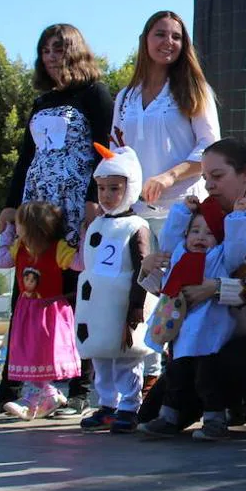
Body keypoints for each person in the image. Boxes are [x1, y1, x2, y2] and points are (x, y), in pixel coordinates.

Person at [0, 24, 112, 419]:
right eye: (45, 49)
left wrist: (92, 201)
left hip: (74, 202)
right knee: (28, 287)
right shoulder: (41, 101)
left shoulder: (95, 95)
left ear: (75, 51)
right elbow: (25, 158)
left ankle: (79, 387)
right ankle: (10, 387)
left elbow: (106, 149)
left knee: (72, 288)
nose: (50, 56)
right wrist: (11, 205)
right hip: (36, 204)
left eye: (58, 48)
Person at [136, 139, 246, 438]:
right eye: (205, 178)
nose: (209, 186)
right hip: (207, 337)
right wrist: (149, 271)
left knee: (228, 361)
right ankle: (231, 403)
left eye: (217, 177)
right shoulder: (208, 220)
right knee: (151, 415)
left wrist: (217, 289)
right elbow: (180, 287)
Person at [113, 10, 221, 402]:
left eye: (176, 37)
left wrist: (171, 176)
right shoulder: (125, 96)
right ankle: (132, 394)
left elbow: (210, 147)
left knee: (181, 297)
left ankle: (179, 390)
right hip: (137, 213)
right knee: (135, 300)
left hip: (184, 210)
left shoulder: (194, 88)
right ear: (145, 39)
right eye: (160, 35)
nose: (168, 43)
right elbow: (118, 150)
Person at [138, 194, 246, 439]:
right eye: (195, 231)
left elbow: (237, 247)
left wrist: (238, 218)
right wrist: (181, 212)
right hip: (179, 332)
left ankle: (215, 420)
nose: (200, 237)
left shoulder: (220, 258)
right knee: (176, 377)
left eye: (209, 233)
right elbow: (168, 237)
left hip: (209, 335)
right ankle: (168, 418)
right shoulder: (178, 254)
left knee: (207, 381)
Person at [75, 144, 154, 434]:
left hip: (122, 308)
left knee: (126, 361)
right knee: (101, 358)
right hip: (97, 309)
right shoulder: (96, 225)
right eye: (102, 188)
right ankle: (107, 404)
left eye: (114, 189)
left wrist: (136, 307)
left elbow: (142, 268)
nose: (107, 196)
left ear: (129, 188)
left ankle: (129, 406)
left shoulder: (135, 225)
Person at [0, 201, 82, 420]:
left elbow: (80, 264)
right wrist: (7, 233)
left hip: (50, 312)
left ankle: (36, 398)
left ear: (32, 227)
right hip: (28, 311)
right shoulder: (19, 248)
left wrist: (85, 236)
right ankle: (45, 396)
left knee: (41, 353)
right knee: (30, 354)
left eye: (18, 224)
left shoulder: (57, 248)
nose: (16, 228)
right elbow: (1, 260)